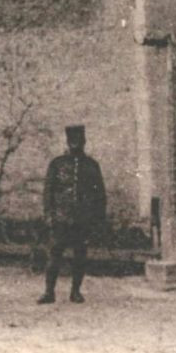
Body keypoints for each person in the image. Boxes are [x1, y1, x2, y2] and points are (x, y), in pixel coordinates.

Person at [38, 124, 106, 305]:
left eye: (79, 140)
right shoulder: (57, 164)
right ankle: (49, 292)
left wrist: (97, 220)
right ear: (68, 142)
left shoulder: (92, 166)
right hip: (60, 218)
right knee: (54, 256)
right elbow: (48, 192)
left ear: (84, 141)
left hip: (82, 219)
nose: (75, 144)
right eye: (72, 140)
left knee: (80, 256)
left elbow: (100, 195)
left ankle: (75, 292)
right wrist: (49, 216)